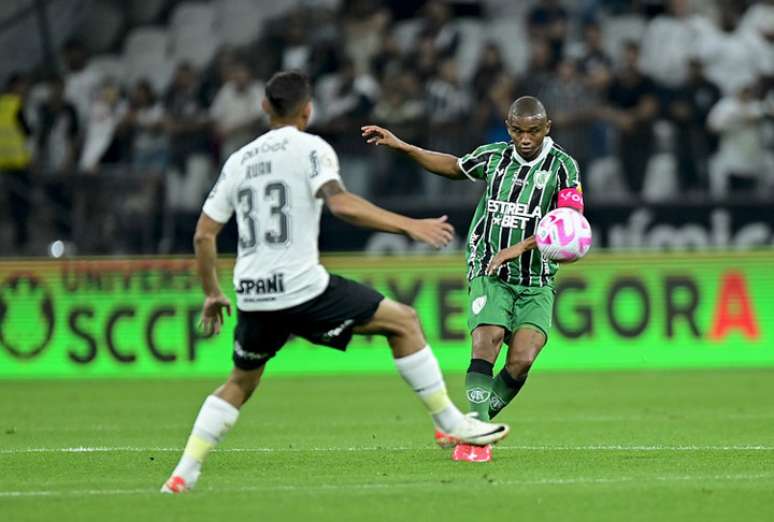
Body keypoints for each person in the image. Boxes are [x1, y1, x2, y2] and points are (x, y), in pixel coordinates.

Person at [161, 71, 509, 494]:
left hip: (253, 294)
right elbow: (341, 203)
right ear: (308, 110)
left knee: (239, 382)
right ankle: (451, 422)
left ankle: (184, 471)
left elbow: (203, 235)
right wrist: (408, 225)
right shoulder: (312, 149)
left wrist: (212, 292)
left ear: (264, 107)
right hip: (302, 287)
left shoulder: (239, 160)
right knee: (403, 322)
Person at [362, 95, 584, 463]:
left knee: (522, 360)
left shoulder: (564, 168)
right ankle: (474, 440)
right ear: (509, 129)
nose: (525, 138)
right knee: (488, 339)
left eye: (533, 131)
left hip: (536, 277)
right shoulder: (495, 156)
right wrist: (402, 146)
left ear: (547, 128)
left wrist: (520, 247)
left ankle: (466, 424)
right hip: (489, 267)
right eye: (517, 130)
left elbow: (570, 222)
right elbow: (453, 166)